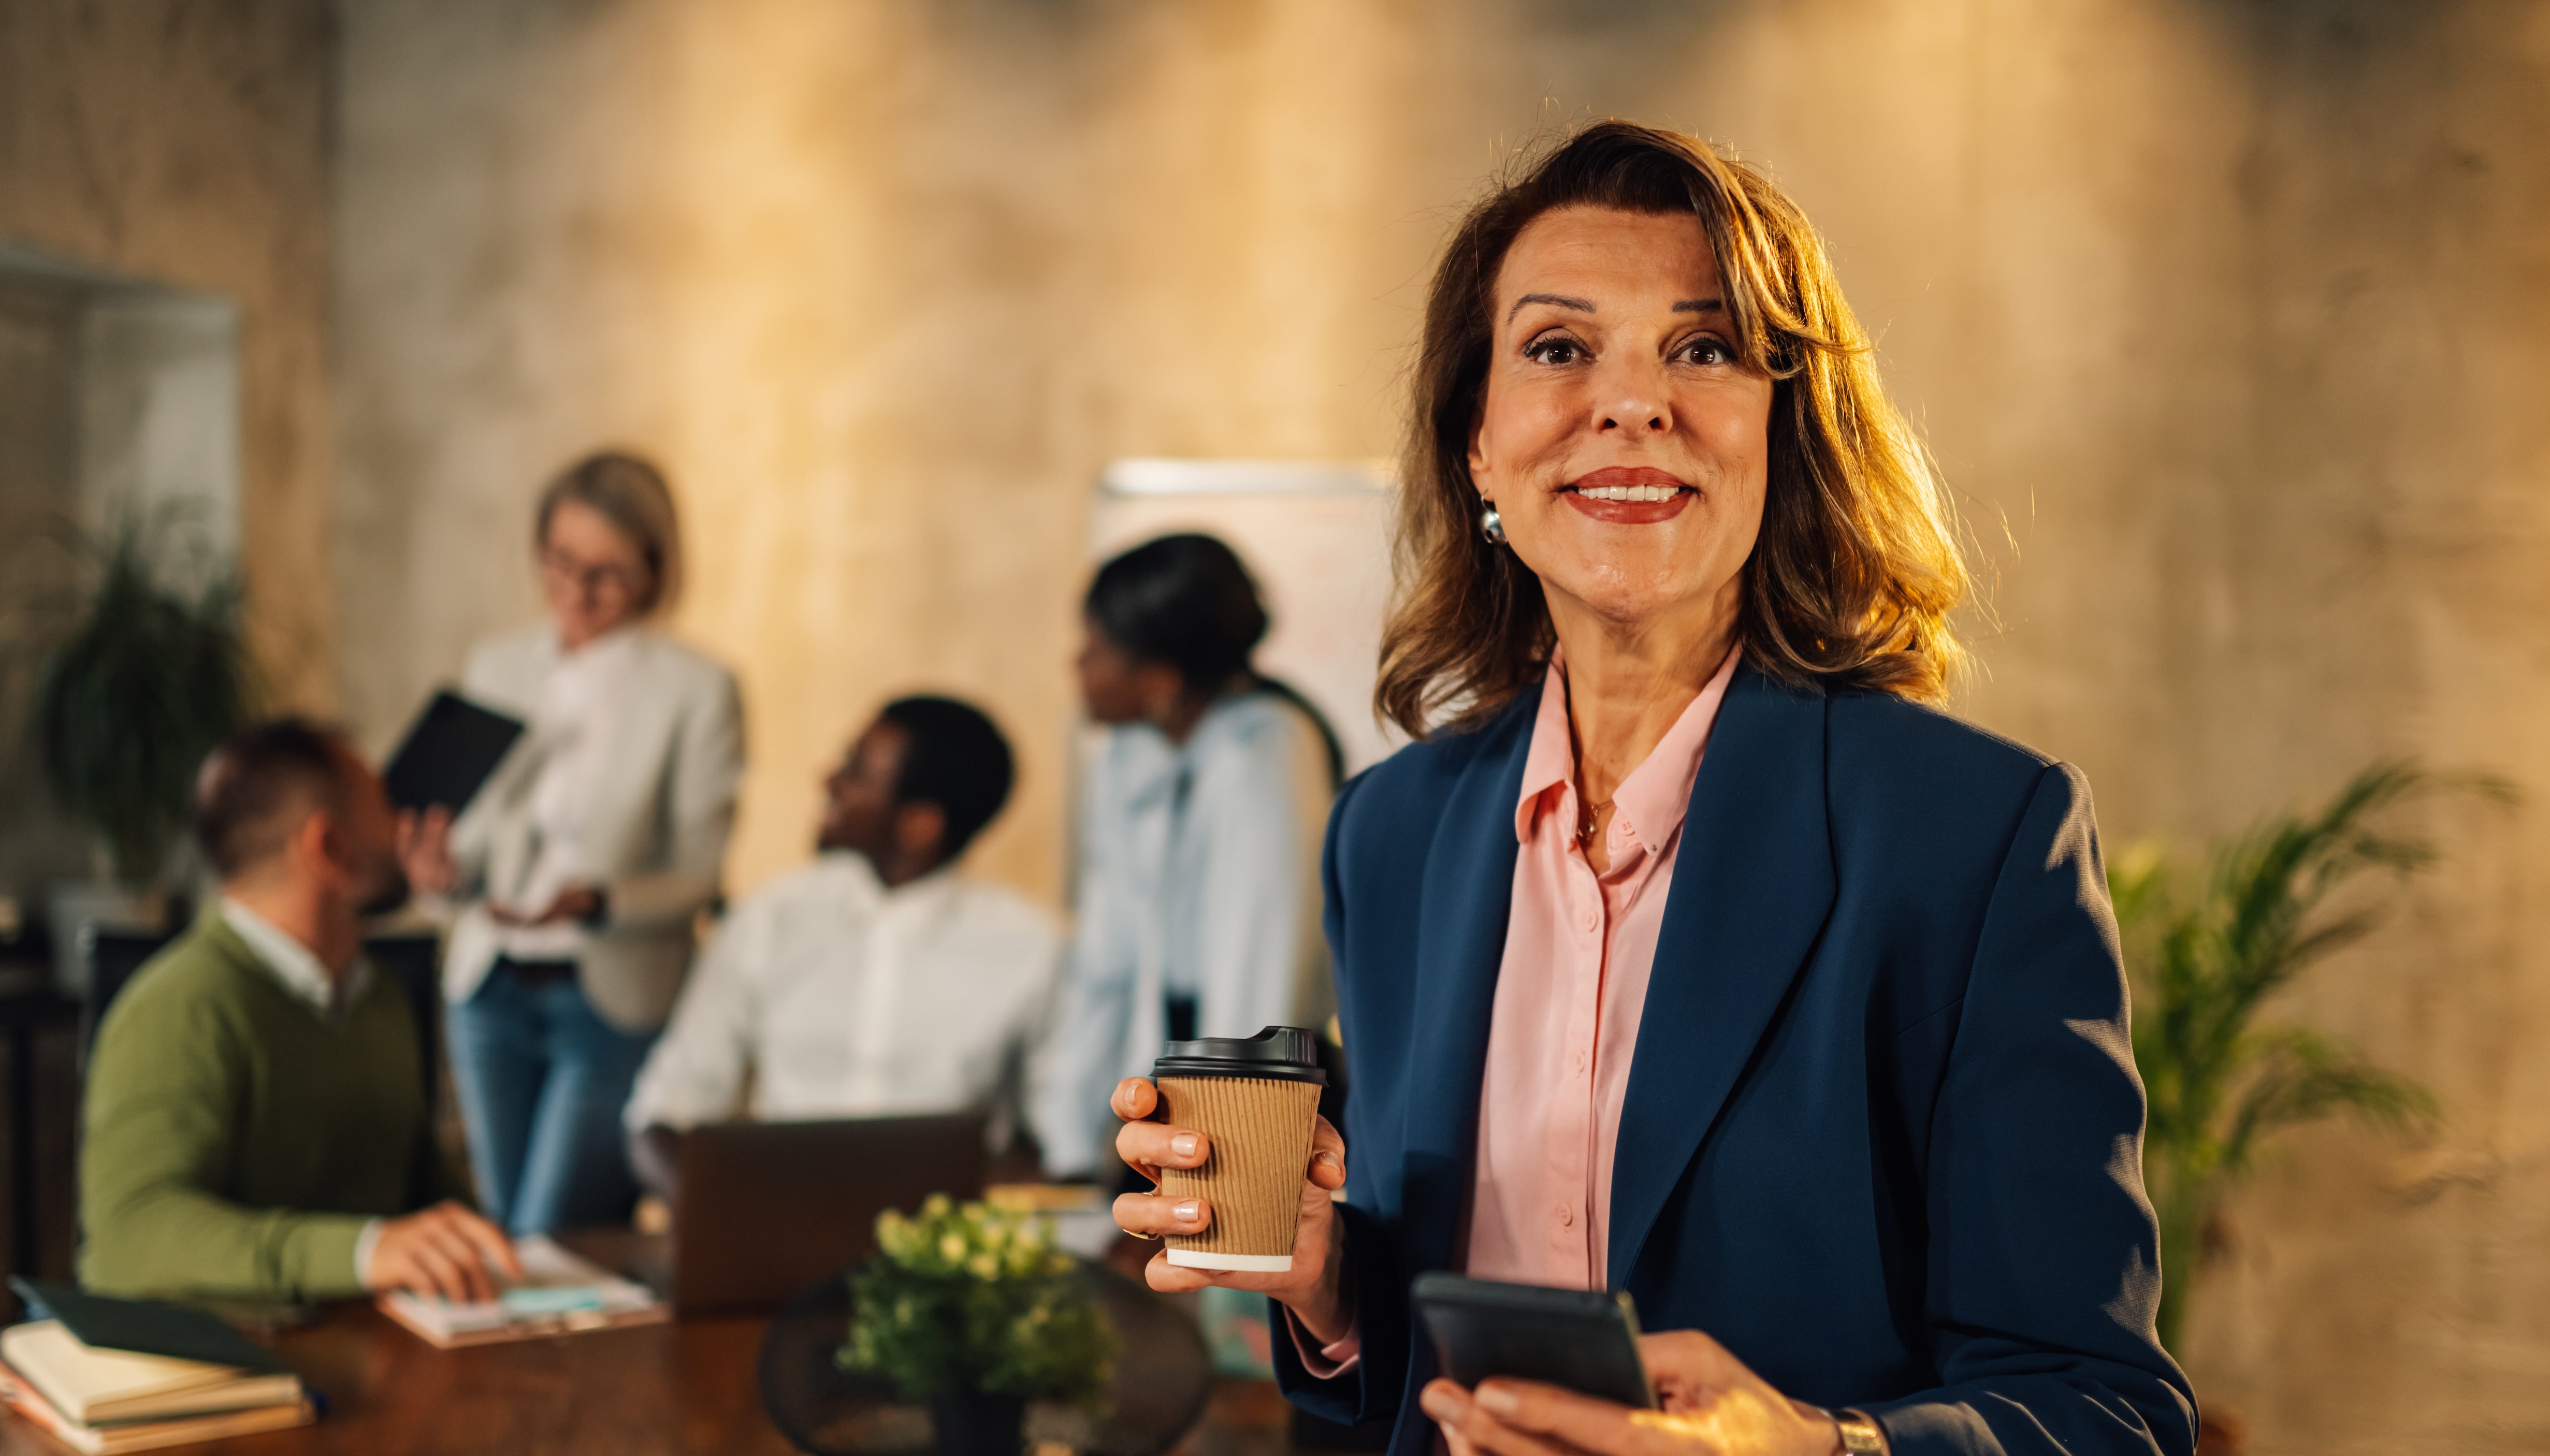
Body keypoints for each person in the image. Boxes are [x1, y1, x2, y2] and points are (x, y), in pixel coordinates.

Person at [1106, 123, 2196, 1456]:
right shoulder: (1393, 836)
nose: (1632, 402)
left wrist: (1813, 1447)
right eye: (1559, 349)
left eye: (1705, 347)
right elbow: (1417, 1367)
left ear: (1781, 430)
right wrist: (1334, 1291)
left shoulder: (1973, 836)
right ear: (1478, 446)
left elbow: (2103, 1410)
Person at [399, 450, 744, 1237]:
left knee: (555, 1234)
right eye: (560, 562)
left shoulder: (695, 689)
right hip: (489, 982)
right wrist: (440, 875)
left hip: (608, 994)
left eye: (606, 572)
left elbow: (700, 873)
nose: (576, 591)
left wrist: (600, 901)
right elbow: (475, 848)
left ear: (656, 572)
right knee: (501, 1225)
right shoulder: (499, 665)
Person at [81, 719, 524, 1304]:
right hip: (231, 1373)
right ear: (329, 847)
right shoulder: (182, 1005)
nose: (404, 823)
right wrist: (366, 1252)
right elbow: (128, 1239)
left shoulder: (379, 998)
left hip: (384, 1357)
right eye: (385, 805)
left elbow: (420, 1197)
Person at [624, 696, 1060, 1199]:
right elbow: (661, 1114)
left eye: (856, 772)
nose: (829, 781)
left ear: (921, 825)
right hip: (774, 1225)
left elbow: (1057, 1142)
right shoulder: (770, 919)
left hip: (944, 1248)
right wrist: (724, 1218)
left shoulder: (1032, 947)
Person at [1029, 533, 1345, 1182]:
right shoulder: (1131, 755)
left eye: (1097, 648)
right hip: (1162, 1105)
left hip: (1251, 1121)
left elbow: (1255, 994)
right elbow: (1105, 962)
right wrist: (1069, 1147)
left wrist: (1211, 1174)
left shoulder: (1264, 754)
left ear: (1159, 676)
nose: (1077, 665)